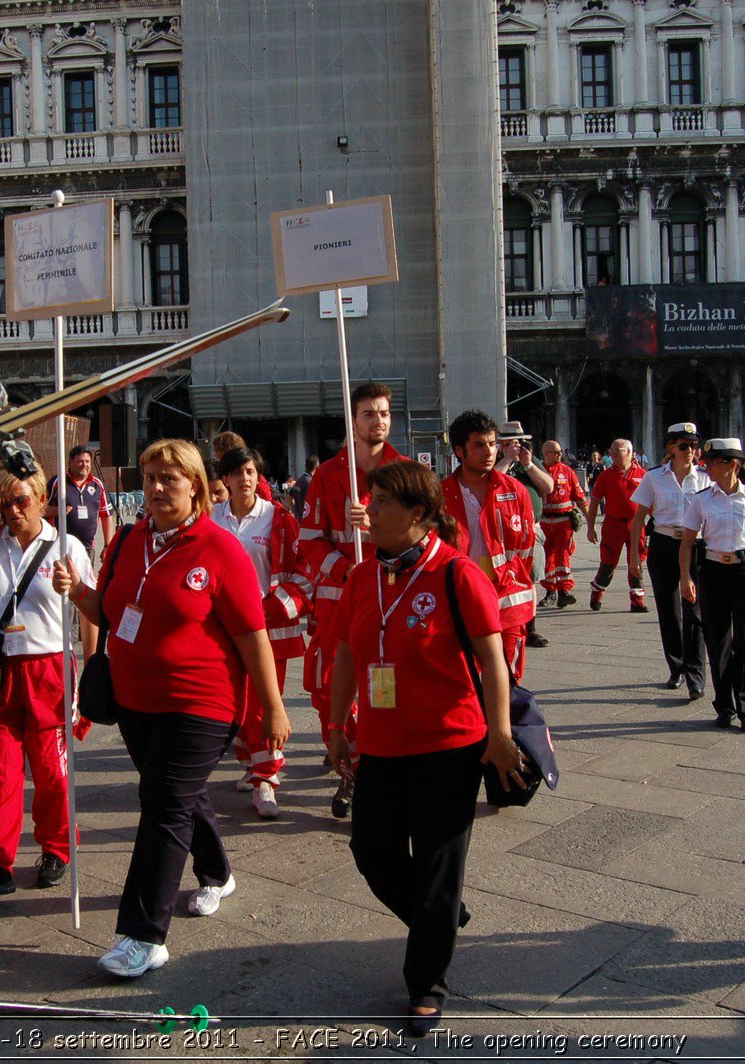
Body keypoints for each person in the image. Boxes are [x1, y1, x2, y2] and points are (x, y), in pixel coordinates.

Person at [57, 440, 288, 977]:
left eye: (170, 478)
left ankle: (143, 935)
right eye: (151, 477)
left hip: (202, 702)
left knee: (162, 803)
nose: (158, 488)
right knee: (179, 795)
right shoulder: (130, 542)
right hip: (136, 701)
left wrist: (274, 707)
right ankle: (216, 872)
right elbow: (110, 611)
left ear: (197, 487)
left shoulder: (220, 549)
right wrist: (77, 591)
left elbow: (253, 634)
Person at [326, 459, 523, 1038]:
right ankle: (439, 920)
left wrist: (501, 734)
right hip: (382, 744)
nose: (371, 509)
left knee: (438, 867)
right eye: (371, 498)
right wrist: (337, 726)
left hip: (449, 744)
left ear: (417, 514)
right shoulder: (363, 576)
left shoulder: (457, 573)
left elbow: (492, 660)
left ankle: (425, 985)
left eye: (383, 501)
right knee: (372, 852)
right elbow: (343, 654)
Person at [0, 462, 92, 898]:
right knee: (0, 771)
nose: (12, 510)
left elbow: (90, 611)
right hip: (1, 667)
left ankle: (57, 848)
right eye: (3, 503)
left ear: (42, 502)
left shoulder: (65, 546)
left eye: (21, 501)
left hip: (48, 666)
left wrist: (90, 667)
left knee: (51, 770)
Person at [299, 381, 403, 818]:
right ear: (353, 421)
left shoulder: (404, 472)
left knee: (383, 689)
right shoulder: (327, 475)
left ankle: (362, 774)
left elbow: (423, 534)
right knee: (328, 690)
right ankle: (349, 755)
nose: (377, 421)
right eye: (368, 414)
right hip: (335, 601)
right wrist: (346, 569)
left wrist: (378, 524)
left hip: (386, 598)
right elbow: (309, 540)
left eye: (383, 413)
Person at [212, 447, 312, 818]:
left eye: (250, 471)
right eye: (236, 472)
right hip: (221, 630)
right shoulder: (211, 518)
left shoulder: (279, 520)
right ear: (225, 479)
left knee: (264, 704)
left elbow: (304, 572)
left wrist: (274, 609)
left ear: (259, 476)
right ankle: (251, 764)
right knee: (235, 704)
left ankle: (267, 779)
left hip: (266, 627)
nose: (244, 479)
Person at [679, 438, 745, 733]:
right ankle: (725, 706)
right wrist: (686, 577)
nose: (706, 466)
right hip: (713, 570)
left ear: (732, 465)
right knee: (718, 641)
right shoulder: (702, 498)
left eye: (713, 462)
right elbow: (686, 541)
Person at [440, 411, 536, 681]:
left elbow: (525, 551)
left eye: (493, 444)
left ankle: (502, 725)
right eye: (479, 445)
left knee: (508, 682)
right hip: (461, 601)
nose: (489, 451)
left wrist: (515, 582)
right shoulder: (441, 495)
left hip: (507, 601)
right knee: (464, 683)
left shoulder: (515, 491)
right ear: (460, 451)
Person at [628, 423, 710, 699]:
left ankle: (696, 675)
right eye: (684, 446)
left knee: (695, 611)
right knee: (668, 610)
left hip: (696, 546)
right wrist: (633, 558)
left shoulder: (705, 478)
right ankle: (677, 667)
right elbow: (639, 517)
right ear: (672, 447)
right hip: (663, 543)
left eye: (694, 446)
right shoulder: (654, 478)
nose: (691, 452)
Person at [494, 422, 554, 649]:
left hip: (530, 530)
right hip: (501, 532)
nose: (516, 447)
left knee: (529, 578)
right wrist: (507, 459)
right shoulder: (497, 462)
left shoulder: (529, 462)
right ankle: (503, 624)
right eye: (509, 443)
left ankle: (530, 628)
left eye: (518, 443)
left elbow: (548, 487)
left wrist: (528, 464)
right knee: (501, 579)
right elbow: (489, 482)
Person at [585, 438, 647, 613]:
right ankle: (597, 590)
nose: (611, 453)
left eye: (616, 450)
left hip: (636, 524)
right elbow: (594, 503)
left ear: (628, 452)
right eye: (611, 450)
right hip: (613, 525)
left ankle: (637, 599)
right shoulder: (605, 475)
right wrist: (590, 528)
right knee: (608, 562)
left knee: (637, 561)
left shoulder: (642, 474)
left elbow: (652, 502)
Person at [537, 439, 586, 608]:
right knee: (546, 558)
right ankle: (550, 592)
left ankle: (564, 591)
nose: (560, 455)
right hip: (543, 522)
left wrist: (590, 522)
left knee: (562, 555)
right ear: (545, 454)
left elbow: (579, 498)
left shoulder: (567, 471)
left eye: (560, 452)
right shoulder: (537, 471)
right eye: (555, 452)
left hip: (563, 521)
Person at [48, 444, 115, 558]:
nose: (84, 465)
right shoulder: (57, 482)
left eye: (87, 461)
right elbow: (40, 509)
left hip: (87, 549)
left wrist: (107, 545)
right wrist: (56, 511)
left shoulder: (98, 485)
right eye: (80, 461)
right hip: (59, 546)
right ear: (70, 463)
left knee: (85, 576)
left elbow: (106, 516)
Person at [292, 454, 319, 519]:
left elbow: (288, 497)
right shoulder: (311, 482)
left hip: (299, 519)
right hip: (308, 519)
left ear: (305, 466)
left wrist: (295, 511)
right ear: (317, 467)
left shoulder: (300, 480)